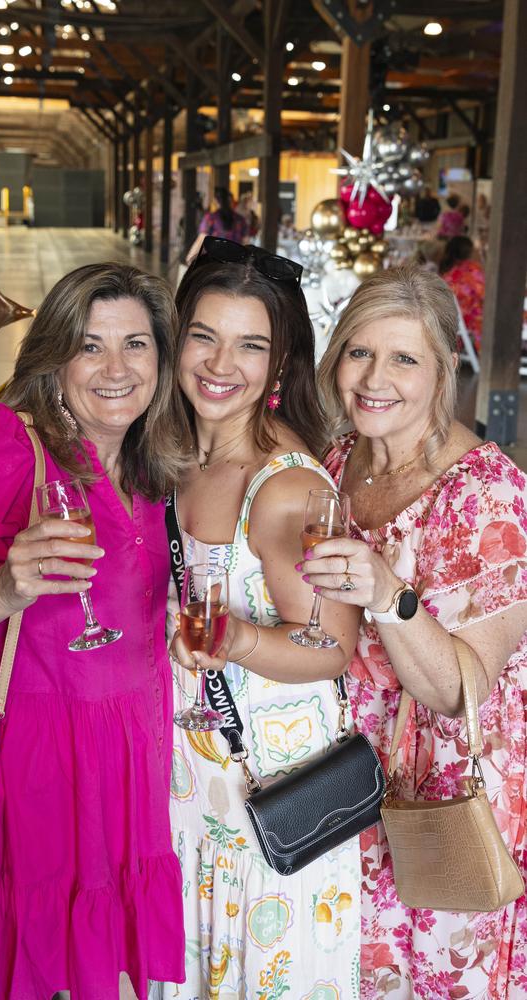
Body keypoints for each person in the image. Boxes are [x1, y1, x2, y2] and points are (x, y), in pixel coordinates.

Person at [0, 264, 187, 1000]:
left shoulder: (153, 464)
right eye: (90, 346)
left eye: (136, 345)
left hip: (124, 776)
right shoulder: (4, 446)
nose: (117, 369)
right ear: (53, 360)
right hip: (25, 778)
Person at [299, 265, 526, 999]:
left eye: (404, 359)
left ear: (443, 371)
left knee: (428, 974)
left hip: (440, 790)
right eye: (359, 352)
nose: (375, 378)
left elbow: (460, 689)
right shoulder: (341, 459)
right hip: (349, 779)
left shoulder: (487, 492)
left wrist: (389, 595)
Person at [155, 236, 362, 998]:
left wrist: (236, 638)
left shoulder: (284, 486)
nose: (219, 364)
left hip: (266, 806)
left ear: (278, 367)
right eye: (203, 336)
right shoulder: (170, 459)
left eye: (249, 346)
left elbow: (332, 646)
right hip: (185, 793)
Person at [440, 235, 485, 352]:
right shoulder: (472, 270)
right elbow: (485, 295)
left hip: (455, 322)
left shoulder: (448, 274)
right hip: (474, 319)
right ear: (470, 252)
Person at [185, 187, 248, 265]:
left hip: (215, 264)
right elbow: (245, 243)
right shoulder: (240, 220)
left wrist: (189, 258)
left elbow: (201, 240)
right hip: (236, 264)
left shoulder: (211, 218)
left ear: (215, 201)